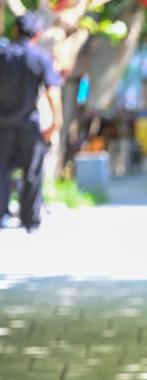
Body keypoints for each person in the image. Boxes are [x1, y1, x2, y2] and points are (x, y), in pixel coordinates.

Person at [0, 12, 62, 233]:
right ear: (38, 34)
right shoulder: (41, 58)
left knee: (1, 171)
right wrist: (56, 122)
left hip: (2, 125)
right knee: (32, 172)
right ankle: (30, 220)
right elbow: (53, 92)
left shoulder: (2, 54)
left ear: (15, 30)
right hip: (29, 124)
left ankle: (1, 215)